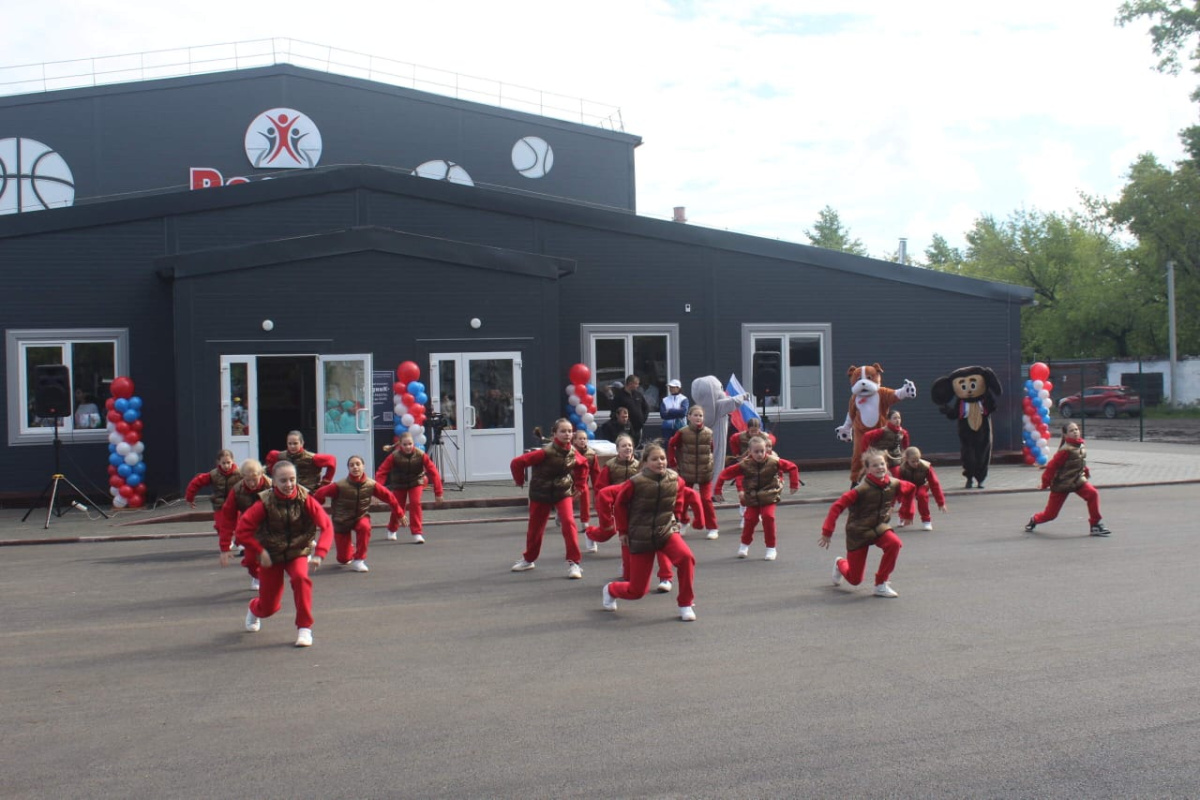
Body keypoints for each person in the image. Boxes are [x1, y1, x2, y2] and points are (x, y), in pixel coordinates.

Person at [236, 461, 334, 647]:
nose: (289, 484)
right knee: (269, 607)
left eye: (292, 479)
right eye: (283, 480)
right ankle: (255, 608)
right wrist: (260, 551)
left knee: (301, 578)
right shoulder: (264, 502)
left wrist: (320, 553)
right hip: (271, 555)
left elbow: (327, 526)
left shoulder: (306, 498)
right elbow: (242, 531)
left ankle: (304, 629)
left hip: (297, 551)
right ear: (273, 482)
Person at [603, 442, 699, 621]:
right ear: (645, 462)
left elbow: (680, 496)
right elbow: (619, 504)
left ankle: (686, 603)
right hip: (641, 535)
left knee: (687, 558)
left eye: (662, 458)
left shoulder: (675, 478)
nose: (660, 462)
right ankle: (611, 590)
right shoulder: (635, 482)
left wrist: (677, 517)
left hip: (666, 531)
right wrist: (623, 531)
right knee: (637, 591)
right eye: (655, 459)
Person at [584, 433, 689, 592]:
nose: (627, 448)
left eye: (630, 446)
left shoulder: (665, 476)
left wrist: (679, 517)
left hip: (661, 521)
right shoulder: (617, 471)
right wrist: (610, 519)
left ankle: (666, 577)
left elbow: (683, 494)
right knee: (609, 535)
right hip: (633, 518)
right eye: (623, 446)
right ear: (617, 449)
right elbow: (603, 492)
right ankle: (591, 535)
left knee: (667, 545)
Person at [819, 448, 916, 598]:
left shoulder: (893, 483)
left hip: (879, 527)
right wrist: (827, 532)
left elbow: (911, 489)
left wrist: (907, 512)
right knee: (855, 579)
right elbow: (836, 506)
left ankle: (880, 584)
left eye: (882, 464)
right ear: (868, 469)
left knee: (894, 543)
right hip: (859, 531)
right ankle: (840, 563)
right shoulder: (860, 490)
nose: (880, 468)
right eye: (875, 465)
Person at [509, 418, 589, 578]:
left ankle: (574, 563)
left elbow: (583, 465)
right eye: (563, 431)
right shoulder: (544, 453)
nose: (567, 434)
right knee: (535, 528)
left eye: (569, 431)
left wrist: (580, 486)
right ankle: (529, 559)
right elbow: (517, 463)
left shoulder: (573, 452)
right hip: (541, 492)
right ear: (554, 434)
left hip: (562, 492)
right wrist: (519, 480)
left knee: (568, 522)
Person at [714, 434, 800, 560]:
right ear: (750, 452)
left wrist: (794, 484)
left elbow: (792, 467)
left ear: (766, 450)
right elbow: (725, 474)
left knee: (768, 517)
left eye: (762, 451)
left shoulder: (773, 461)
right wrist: (717, 490)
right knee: (749, 520)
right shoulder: (745, 464)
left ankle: (771, 548)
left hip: (769, 495)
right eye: (756, 451)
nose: (759, 454)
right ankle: (744, 545)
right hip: (752, 497)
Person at [314, 455, 406, 572]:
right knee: (343, 559)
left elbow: (390, 497)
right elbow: (319, 494)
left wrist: (400, 514)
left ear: (363, 466)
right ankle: (349, 551)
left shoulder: (371, 484)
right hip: (342, 521)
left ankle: (359, 560)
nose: (355, 467)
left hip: (360, 517)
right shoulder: (339, 485)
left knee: (365, 526)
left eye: (358, 464)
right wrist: (315, 508)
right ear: (348, 468)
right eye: (352, 465)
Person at [1024, 422, 1111, 536]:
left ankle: (1095, 525)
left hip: (1077, 480)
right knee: (1051, 515)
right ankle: (1034, 519)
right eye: (1071, 430)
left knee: (1093, 494)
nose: (1075, 432)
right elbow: (1051, 467)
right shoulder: (1065, 450)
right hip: (1062, 484)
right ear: (1065, 435)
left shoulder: (1080, 445)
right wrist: (1045, 483)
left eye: (1076, 429)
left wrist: (1085, 470)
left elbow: (1078, 461)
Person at [375, 432, 444, 544]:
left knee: (415, 503)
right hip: (399, 483)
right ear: (400, 445)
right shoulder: (394, 456)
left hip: (415, 482)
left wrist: (438, 492)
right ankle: (392, 529)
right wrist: (377, 493)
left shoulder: (421, 455)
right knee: (398, 507)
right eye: (405, 444)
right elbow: (381, 473)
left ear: (414, 444)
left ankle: (417, 533)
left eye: (410, 444)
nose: (408, 447)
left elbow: (434, 472)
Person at [215, 458, 271, 591]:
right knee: (251, 561)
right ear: (242, 477)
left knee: (275, 559)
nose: (252, 484)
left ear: (261, 474)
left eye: (255, 479)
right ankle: (257, 576)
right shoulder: (237, 491)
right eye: (248, 480)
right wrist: (225, 547)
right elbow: (227, 519)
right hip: (250, 529)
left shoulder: (272, 486)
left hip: (271, 527)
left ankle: (271, 580)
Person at [668, 405, 719, 539]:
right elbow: (671, 444)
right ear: (689, 417)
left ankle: (712, 527)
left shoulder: (709, 432)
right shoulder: (682, 432)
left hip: (704, 471)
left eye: (700, 415)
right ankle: (684, 522)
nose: (698, 418)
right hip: (686, 470)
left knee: (706, 499)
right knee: (682, 499)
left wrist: (710, 461)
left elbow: (711, 448)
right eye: (695, 415)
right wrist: (673, 463)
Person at [185, 449, 243, 529]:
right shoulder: (214, 474)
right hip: (220, 506)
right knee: (221, 527)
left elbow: (252, 480)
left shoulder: (239, 474)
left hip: (235, 505)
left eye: (228, 463)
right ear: (218, 462)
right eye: (223, 463)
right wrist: (190, 498)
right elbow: (197, 482)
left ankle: (237, 540)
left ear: (232, 461)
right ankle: (225, 540)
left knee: (238, 527)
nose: (226, 466)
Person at [894, 447, 947, 531]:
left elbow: (935, 484)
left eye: (918, 460)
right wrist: (895, 501)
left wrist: (941, 503)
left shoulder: (926, 467)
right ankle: (902, 517)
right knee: (905, 500)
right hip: (908, 486)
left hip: (922, 485)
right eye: (913, 461)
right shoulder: (901, 469)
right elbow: (896, 486)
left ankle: (926, 521)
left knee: (922, 496)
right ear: (906, 459)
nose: (916, 463)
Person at [265, 431, 336, 492]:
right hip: (286, 490)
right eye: (290, 443)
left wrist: (325, 482)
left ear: (302, 443)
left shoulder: (312, 458)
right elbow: (271, 458)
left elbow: (332, 460)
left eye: (295, 443)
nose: (292, 446)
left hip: (308, 491)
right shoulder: (280, 456)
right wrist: (275, 477)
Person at [609, 375, 650, 445]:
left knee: (636, 445)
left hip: (638, 427)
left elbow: (646, 408)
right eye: (636, 384)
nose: (638, 386)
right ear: (630, 384)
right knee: (626, 444)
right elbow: (614, 411)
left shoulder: (638, 395)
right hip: (625, 428)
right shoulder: (619, 395)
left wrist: (643, 419)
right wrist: (620, 422)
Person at [571, 428, 599, 524]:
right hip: (568, 480)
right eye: (580, 438)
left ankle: (585, 521)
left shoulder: (591, 454)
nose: (582, 440)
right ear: (574, 440)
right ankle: (562, 515)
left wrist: (597, 488)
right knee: (567, 500)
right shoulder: (569, 452)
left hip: (582, 481)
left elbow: (595, 473)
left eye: (584, 438)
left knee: (585, 497)